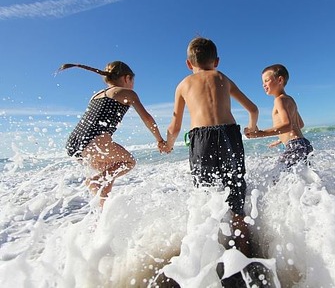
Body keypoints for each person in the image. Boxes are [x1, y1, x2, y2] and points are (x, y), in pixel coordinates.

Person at [163, 37, 259, 257]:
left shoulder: (184, 84)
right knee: (236, 194)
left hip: (201, 139)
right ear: (216, 61)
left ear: (189, 64)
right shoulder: (223, 78)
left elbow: (175, 126)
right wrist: (252, 128)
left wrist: (167, 145)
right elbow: (253, 109)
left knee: (206, 195)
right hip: (230, 135)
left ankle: (208, 258)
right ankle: (246, 253)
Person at [59, 61, 167, 206]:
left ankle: (102, 209)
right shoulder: (126, 93)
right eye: (133, 81)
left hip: (74, 144)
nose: (133, 85)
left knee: (109, 171)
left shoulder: (97, 95)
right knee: (128, 162)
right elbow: (147, 118)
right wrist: (160, 140)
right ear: (127, 78)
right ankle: (94, 181)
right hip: (94, 141)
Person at [244, 64, 313, 169]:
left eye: (266, 80)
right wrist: (281, 139)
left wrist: (259, 134)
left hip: (295, 146)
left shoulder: (279, 100)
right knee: (304, 178)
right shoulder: (290, 99)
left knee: (276, 177)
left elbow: (288, 125)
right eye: (263, 82)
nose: (263, 85)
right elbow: (300, 125)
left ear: (280, 80)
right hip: (304, 144)